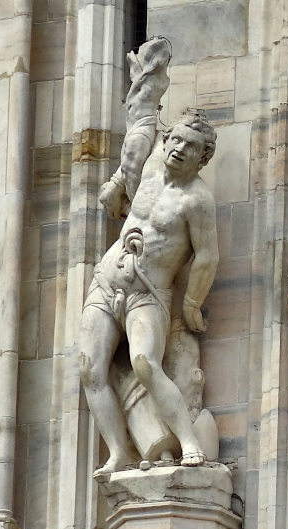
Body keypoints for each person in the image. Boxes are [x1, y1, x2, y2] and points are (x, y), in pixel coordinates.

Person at [79, 107, 219, 478]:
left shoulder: (197, 200)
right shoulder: (154, 164)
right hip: (107, 279)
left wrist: (191, 305)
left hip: (149, 292)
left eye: (191, 147)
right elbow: (136, 141)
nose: (179, 149)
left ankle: (188, 441)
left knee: (144, 364)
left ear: (202, 157)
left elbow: (207, 257)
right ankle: (118, 452)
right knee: (89, 368)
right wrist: (114, 184)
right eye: (175, 140)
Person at [99, 36, 172, 219]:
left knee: (132, 166)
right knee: (130, 165)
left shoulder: (153, 74)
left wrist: (136, 215)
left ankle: (136, 212)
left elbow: (131, 169)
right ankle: (132, 206)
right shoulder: (146, 75)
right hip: (138, 127)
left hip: (142, 127)